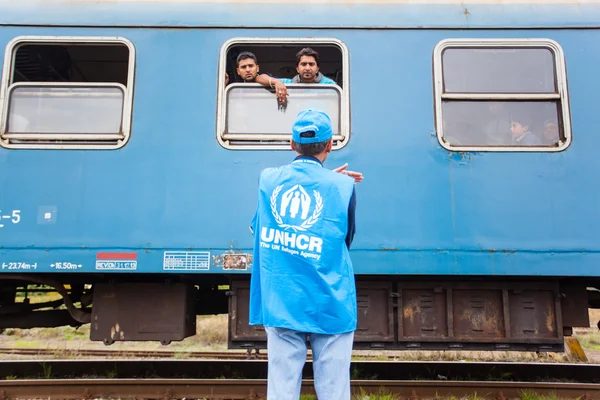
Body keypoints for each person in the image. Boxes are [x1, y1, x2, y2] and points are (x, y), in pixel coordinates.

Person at [249, 109, 362, 400]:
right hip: (331, 299)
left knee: (282, 389)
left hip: (282, 300)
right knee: (334, 390)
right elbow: (343, 239)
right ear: (330, 146)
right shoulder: (343, 186)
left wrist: (319, 182)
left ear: (291, 144)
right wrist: (328, 183)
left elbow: (258, 227)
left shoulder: (268, 180)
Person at [256, 48, 336, 105]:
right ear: (297, 69)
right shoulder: (288, 84)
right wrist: (276, 82)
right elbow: (258, 78)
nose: (307, 68)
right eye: (303, 64)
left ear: (317, 68)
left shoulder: (329, 85)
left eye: (311, 64)